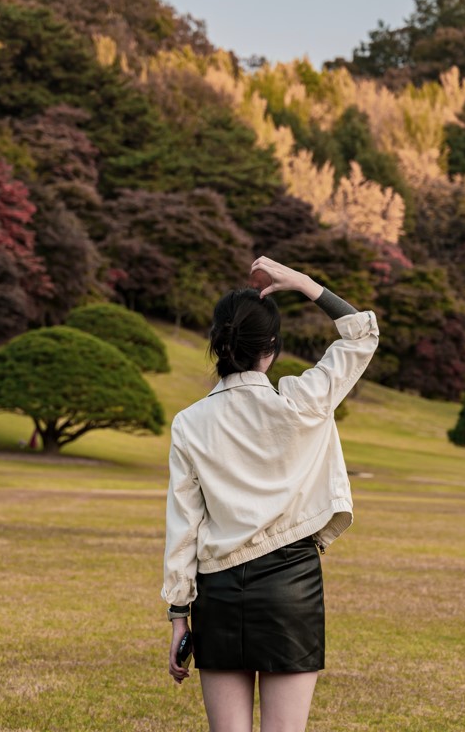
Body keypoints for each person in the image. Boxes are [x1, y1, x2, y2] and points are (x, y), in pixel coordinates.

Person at [162, 256, 379, 732]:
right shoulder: (304, 401)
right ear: (272, 347)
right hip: (291, 588)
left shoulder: (189, 423)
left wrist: (179, 616)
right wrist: (303, 283)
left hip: (218, 595)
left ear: (216, 343)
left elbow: (184, 526)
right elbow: (362, 334)